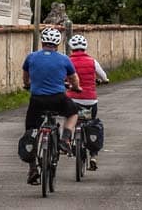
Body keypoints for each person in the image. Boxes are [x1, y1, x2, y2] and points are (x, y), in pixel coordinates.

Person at [22, 27, 82, 185]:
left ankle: (33, 168)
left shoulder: (31, 57)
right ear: (58, 43)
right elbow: (74, 79)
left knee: (31, 132)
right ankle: (65, 139)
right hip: (58, 98)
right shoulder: (64, 59)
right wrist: (76, 87)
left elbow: (26, 77)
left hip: (37, 100)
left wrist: (28, 85)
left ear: (42, 41)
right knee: (73, 112)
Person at [67, 34, 108, 170]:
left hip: (73, 100)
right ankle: (94, 156)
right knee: (92, 124)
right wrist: (104, 81)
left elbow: (62, 77)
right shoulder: (92, 61)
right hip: (90, 100)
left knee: (70, 120)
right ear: (85, 47)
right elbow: (103, 76)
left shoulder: (67, 61)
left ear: (71, 48)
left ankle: (68, 142)